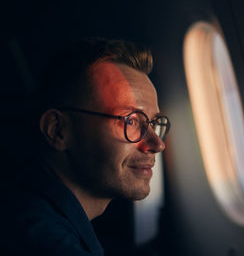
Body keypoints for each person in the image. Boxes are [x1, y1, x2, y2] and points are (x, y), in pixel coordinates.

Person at [3, 38, 170, 255]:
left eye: (154, 123)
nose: (157, 144)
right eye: (131, 121)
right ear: (57, 129)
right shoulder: (45, 243)